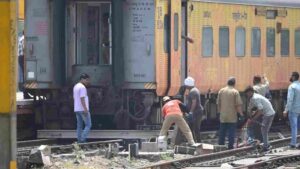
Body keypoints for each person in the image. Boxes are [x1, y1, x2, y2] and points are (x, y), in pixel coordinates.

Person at [244, 86, 275, 151]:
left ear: (250, 92)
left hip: (269, 114)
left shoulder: (255, 98)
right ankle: (266, 144)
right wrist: (250, 114)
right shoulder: (253, 97)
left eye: (247, 93)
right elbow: (250, 107)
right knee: (264, 130)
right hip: (268, 113)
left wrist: (253, 118)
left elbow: (260, 110)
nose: (246, 95)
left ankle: (266, 146)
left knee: (264, 130)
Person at [217, 77, 243, 149]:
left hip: (223, 115)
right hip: (232, 116)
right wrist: (241, 114)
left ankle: (220, 146)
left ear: (227, 82)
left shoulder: (221, 91)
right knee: (231, 132)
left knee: (222, 131)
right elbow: (238, 105)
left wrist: (219, 113)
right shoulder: (235, 92)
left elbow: (218, 104)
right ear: (234, 84)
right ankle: (230, 147)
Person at [283, 72, 300, 148]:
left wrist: (286, 110)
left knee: (294, 127)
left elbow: (290, 100)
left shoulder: (292, 86)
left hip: (293, 110)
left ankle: (293, 144)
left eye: (291, 75)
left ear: (293, 77)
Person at [184, 76, 203, 142]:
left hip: (196, 112)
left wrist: (191, 112)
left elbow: (194, 102)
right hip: (195, 112)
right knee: (192, 128)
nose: (185, 86)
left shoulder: (193, 91)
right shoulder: (194, 90)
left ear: (188, 85)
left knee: (196, 128)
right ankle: (194, 142)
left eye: (186, 85)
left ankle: (198, 143)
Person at [73, 73, 91, 143]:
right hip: (83, 109)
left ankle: (79, 139)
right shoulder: (82, 87)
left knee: (79, 126)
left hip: (77, 109)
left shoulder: (75, 86)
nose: (88, 82)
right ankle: (82, 140)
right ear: (82, 79)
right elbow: (82, 99)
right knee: (88, 125)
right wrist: (85, 109)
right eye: (86, 80)